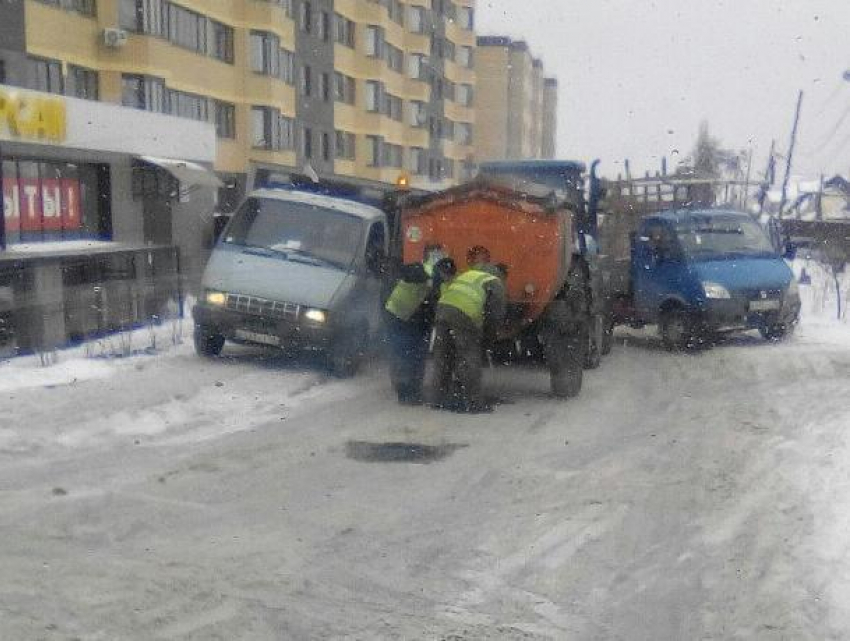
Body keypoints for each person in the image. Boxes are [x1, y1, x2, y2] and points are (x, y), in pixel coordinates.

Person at [431, 249, 507, 413]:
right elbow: (495, 316)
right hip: (463, 313)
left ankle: (438, 398)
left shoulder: (469, 274)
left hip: (443, 309)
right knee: (469, 357)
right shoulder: (495, 282)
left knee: (443, 354)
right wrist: (488, 338)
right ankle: (474, 402)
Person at [384, 262, 431, 404]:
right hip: (407, 321)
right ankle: (411, 392)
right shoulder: (422, 288)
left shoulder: (402, 284)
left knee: (401, 355)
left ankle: (402, 390)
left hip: (394, 318)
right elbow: (425, 312)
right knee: (413, 358)